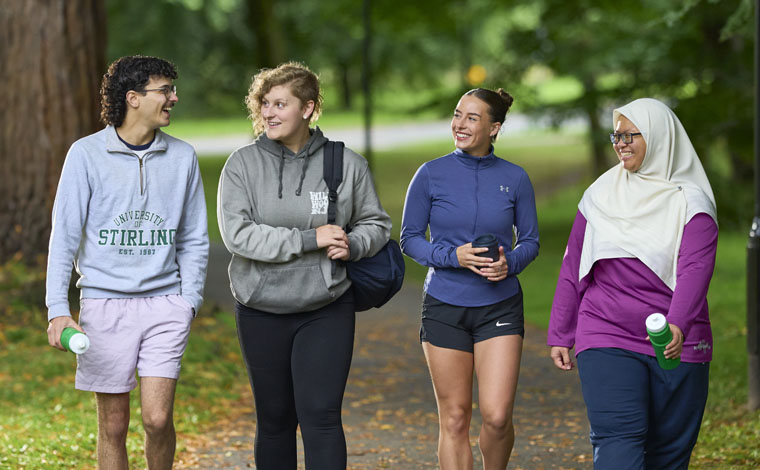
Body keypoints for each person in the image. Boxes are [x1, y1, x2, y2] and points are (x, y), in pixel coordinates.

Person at [217, 61, 391, 470]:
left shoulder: (346, 163)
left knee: (322, 418)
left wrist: (353, 244)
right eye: (264, 104)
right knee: (275, 420)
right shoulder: (241, 165)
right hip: (260, 309)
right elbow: (237, 235)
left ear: (308, 109)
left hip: (326, 307)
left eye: (281, 104)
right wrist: (308, 239)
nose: (269, 113)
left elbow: (376, 224)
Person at [45, 55, 208, 470]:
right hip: (104, 305)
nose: (174, 97)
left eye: (172, 89)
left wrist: (188, 299)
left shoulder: (183, 157)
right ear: (133, 98)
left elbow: (193, 238)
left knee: (157, 419)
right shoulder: (85, 155)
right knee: (114, 425)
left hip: (165, 304)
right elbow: (63, 237)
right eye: (165, 90)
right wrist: (58, 311)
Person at [547, 98, 718, 470]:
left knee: (669, 454)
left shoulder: (691, 202)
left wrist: (677, 324)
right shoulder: (599, 194)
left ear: (658, 137)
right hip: (605, 330)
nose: (620, 143)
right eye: (616, 135)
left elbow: (695, 269)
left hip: (675, 340)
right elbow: (573, 264)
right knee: (617, 441)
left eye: (629, 135)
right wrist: (562, 331)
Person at [401, 88, 539, 469]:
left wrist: (509, 264)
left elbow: (530, 241)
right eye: (458, 114)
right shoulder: (430, 174)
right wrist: (452, 257)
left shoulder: (515, 178)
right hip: (444, 305)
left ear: (494, 128)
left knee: (496, 417)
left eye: (472, 118)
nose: (459, 124)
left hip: (500, 304)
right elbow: (409, 240)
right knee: (456, 418)